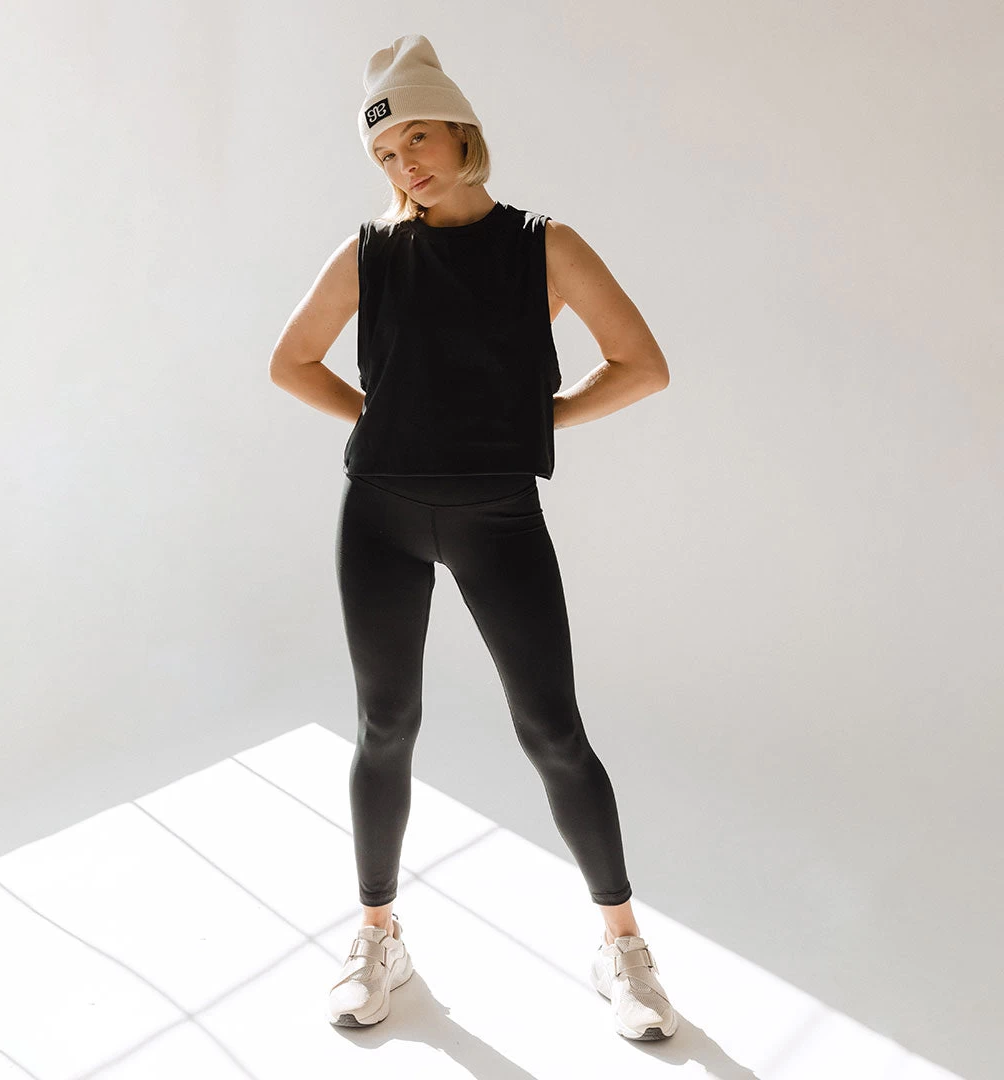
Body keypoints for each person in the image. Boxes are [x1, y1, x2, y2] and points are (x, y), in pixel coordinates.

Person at [269, 34, 678, 1041]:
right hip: (380, 515)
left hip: (498, 514)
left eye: (416, 137)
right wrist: (382, 419)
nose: (404, 164)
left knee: (553, 733)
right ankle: (378, 936)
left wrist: (536, 422)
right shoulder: (369, 252)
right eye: (384, 154)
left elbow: (641, 364)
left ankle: (624, 947)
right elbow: (291, 362)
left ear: (460, 129)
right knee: (385, 727)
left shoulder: (544, 244)